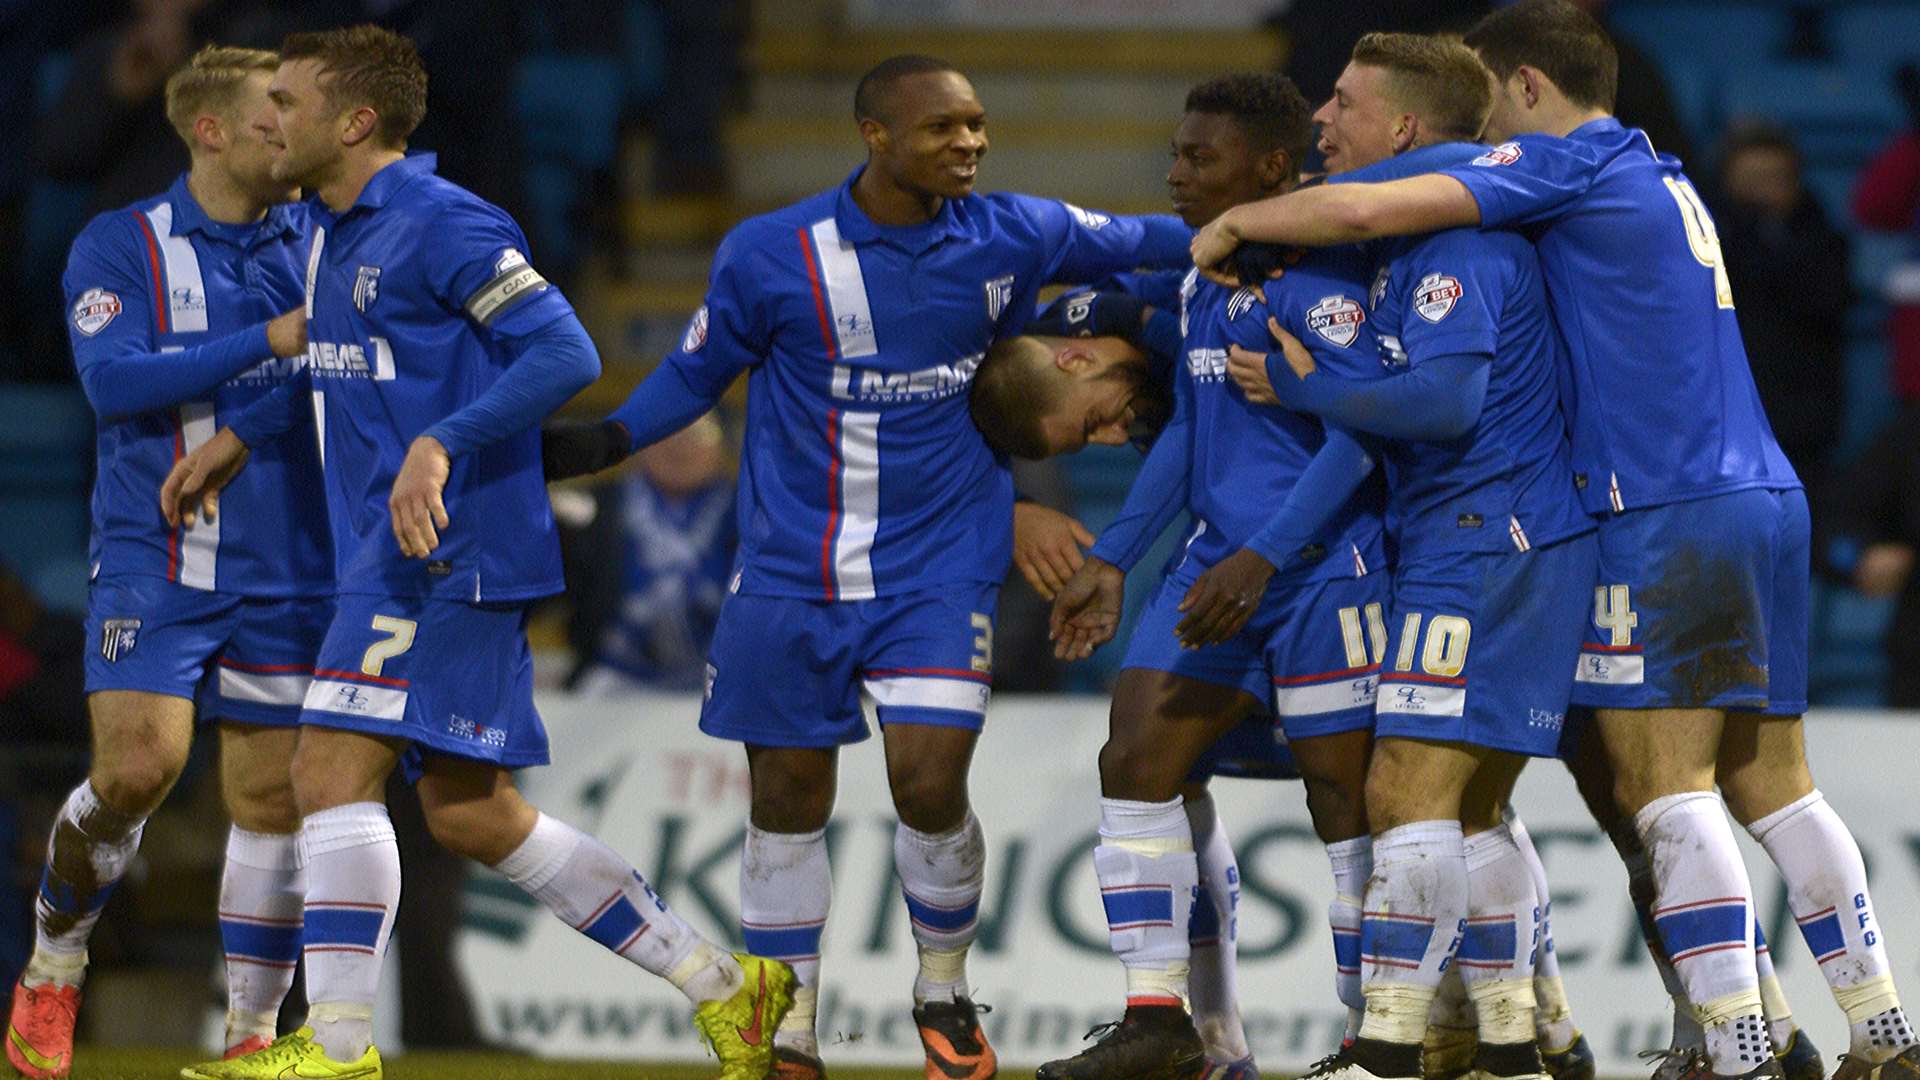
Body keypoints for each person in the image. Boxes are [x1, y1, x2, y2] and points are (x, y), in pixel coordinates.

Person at [1191, 4, 1916, 1080]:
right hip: (1761, 489)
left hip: (1660, 504)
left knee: (1661, 785)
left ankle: (1742, 1047)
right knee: (1774, 781)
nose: (1487, 137)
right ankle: (1882, 1029)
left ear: (1528, 88)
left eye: (1490, 107)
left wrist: (1242, 225)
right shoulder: (1659, 170)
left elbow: (1383, 205)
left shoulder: (1561, 163)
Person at [440, 51, 1197, 1080]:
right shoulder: (771, 254)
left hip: (937, 568)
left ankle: (943, 990)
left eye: (977, 125)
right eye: (944, 128)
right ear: (876, 136)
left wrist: (1274, 246)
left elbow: (1181, 240)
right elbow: (697, 372)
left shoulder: (1018, 232)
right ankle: (784, 1026)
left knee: (930, 780)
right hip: (791, 570)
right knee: (787, 797)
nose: (970, 143)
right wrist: (605, 441)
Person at [159, 26, 792, 1080]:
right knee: (470, 814)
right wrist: (239, 435)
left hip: (450, 548)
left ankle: (341, 1044)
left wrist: (440, 443)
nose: (270, 120)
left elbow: (566, 349)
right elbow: (339, 361)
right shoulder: (328, 229)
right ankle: (727, 986)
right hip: (400, 548)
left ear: (355, 122)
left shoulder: (443, 222)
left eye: (289, 100)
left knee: (325, 769)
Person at [1214, 33, 1595, 1080]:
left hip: (1482, 540)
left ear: (1405, 131)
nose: (1321, 121)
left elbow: (1442, 401)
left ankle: (1388, 1048)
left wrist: (1296, 389)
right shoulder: (1427, 240)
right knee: (1473, 809)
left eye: (1342, 103)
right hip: (1508, 537)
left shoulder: (1456, 245)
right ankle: (1517, 1045)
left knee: (1404, 795)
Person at [1034, 71, 1390, 1080]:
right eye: (1178, 152)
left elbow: (1359, 439)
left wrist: (1265, 552)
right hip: (1214, 564)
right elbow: (1189, 432)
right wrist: (1111, 557)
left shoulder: (1328, 283)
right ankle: (1162, 1024)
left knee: (1345, 803)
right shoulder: (1200, 282)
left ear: (1272, 169)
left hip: (1325, 569)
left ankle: (1376, 1032)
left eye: (1200, 156)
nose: (1176, 171)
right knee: (1137, 760)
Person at [6, 45, 320, 1080]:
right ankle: (55, 960)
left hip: (286, 557)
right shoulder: (119, 242)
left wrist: (263, 398)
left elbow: (336, 370)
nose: (291, 122)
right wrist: (268, 338)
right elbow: (115, 383)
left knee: (269, 801)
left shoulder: (317, 237)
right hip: (155, 551)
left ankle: (249, 1038)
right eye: (271, 107)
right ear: (211, 130)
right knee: (137, 772)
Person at [1708, 122, 1850, 510]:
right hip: (1726, 425)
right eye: (1753, 179)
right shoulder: (1704, 238)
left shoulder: (1822, 236)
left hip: (1803, 424)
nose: (1765, 189)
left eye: (1776, 178)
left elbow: (1826, 303)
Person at [558, 412, 738, 694]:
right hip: (610, 681)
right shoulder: (595, 507)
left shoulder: (750, 516)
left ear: (725, 444)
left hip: (720, 685)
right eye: (664, 432)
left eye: (699, 433)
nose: (678, 446)